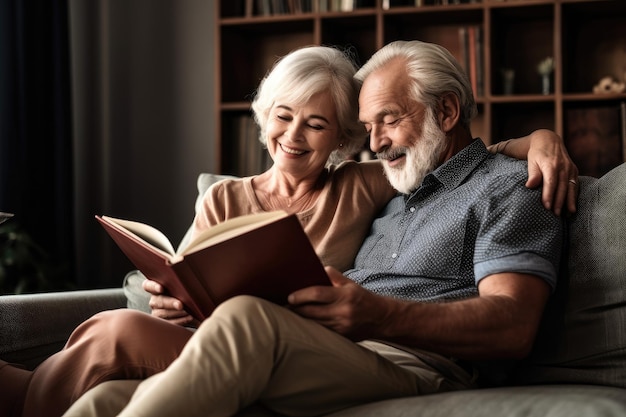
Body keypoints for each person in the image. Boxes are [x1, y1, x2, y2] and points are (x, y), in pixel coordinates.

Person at [0, 45, 575, 417]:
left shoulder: (506, 187)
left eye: (388, 121)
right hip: (330, 350)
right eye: (370, 126)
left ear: (446, 113)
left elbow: (513, 326)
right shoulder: (401, 187)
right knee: (104, 400)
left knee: (247, 318)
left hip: (415, 365)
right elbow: (446, 163)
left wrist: (540, 141)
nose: (376, 142)